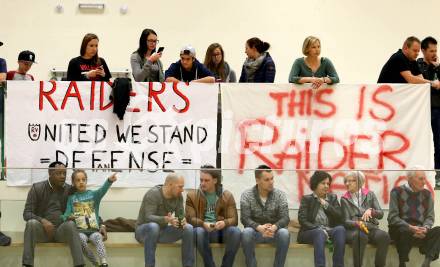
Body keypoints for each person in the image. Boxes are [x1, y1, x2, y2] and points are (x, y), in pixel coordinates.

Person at [22, 161, 87, 267]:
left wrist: (101, 224)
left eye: (64, 174)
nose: (62, 176)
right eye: (58, 173)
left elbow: (87, 205)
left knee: (71, 224)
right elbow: (27, 213)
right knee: (31, 223)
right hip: (43, 232)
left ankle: (79, 264)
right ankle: (27, 264)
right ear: (50, 173)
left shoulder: (69, 189)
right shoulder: (37, 188)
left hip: (61, 231)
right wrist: (43, 221)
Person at [185, 165, 241, 267]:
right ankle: (210, 265)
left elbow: (234, 219)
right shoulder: (192, 195)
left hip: (220, 232)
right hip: (203, 232)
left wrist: (224, 223)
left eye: (206, 180)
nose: (202, 183)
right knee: (198, 231)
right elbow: (190, 218)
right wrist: (203, 223)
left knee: (236, 232)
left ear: (215, 180)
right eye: (201, 180)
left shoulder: (227, 195)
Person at [135, 173, 194, 267]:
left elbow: (180, 216)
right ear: (170, 185)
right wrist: (166, 220)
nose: (182, 190)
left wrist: (182, 221)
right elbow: (148, 217)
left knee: (188, 228)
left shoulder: (178, 196)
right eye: (180, 187)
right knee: (154, 227)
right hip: (144, 232)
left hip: (161, 233)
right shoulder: (153, 194)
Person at [61, 170, 117, 267]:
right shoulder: (71, 198)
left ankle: (104, 263)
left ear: (86, 181)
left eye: (83, 179)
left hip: (94, 230)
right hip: (80, 232)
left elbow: (102, 190)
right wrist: (68, 217)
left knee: (98, 238)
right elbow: (65, 215)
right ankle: (95, 263)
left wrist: (109, 181)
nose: (81, 182)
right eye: (78, 180)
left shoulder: (93, 195)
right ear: (73, 183)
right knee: (80, 240)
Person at [388, 167, 440, 267]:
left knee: (438, 230)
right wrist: (411, 228)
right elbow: (392, 217)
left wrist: (425, 228)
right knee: (404, 230)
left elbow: (430, 217)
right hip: (401, 230)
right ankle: (402, 263)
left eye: (425, 179)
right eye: (421, 179)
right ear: (410, 179)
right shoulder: (396, 191)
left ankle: (427, 262)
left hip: (420, 230)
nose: (424, 182)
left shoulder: (427, 194)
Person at [240, 165, 290, 267]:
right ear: (257, 180)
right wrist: (259, 228)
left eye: (272, 178)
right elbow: (244, 218)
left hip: (273, 233)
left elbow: (285, 217)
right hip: (256, 232)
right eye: (267, 179)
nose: (271, 182)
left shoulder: (280, 195)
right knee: (246, 232)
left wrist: (274, 227)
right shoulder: (247, 195)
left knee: (284, 233)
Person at [340, 171, 390, 267]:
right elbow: (345, 221)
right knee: (360, 237)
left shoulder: (370, 194)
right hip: (355, 230)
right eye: (346, 181)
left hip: (371, 227)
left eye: (351, 181)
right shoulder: (344, 198)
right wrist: (357, 223)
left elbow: (381, 214)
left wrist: (371, 211)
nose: (347, 183)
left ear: (360, 182)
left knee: (384, 236)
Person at [297, 171, 345, 267]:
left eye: (328, 184)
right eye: (323, 183)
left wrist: (327, 205)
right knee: (319, 233)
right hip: (310, 232)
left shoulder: (332, 198)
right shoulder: (307, 199)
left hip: (329, 230)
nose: (326, 186)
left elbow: (340, 216)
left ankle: (338, 265)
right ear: (315, 184)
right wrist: (318, 229)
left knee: (340, 229)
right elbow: (302, 219)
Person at [417, 36, 440, 189]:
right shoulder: (416, 65)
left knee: (438, 143)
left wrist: (438, 67)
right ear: (423, 50)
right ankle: (417, 177)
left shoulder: (437, 66)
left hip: (437, 109)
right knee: (419, 143)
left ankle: (438, 176)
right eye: (431, 50)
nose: (434, 53)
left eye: (436, 50)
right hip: (419, 111)